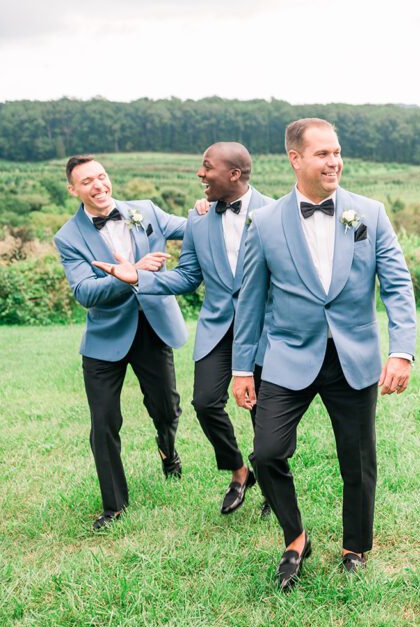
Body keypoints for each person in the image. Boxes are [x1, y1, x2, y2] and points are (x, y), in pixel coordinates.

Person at [232, 118, 417, 591]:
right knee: (266, 451)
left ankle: (355, 546)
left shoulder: (369, 213)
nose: (334, 161)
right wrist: (240, 367)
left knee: (358, 459)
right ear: (295, 159)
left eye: (336, 152)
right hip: (288, 355)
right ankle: (295, 538)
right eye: (322, 154)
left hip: (353, 355)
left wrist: (402, 351)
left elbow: (397, 285)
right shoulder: (266, 221)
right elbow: (250, 300)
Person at [93, 143, 274, 517]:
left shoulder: (275, 213)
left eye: (207, 167)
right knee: (205, 402)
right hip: (217, 328)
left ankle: (273, 487)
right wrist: (138, 276)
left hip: (265, 329)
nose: (199, 173)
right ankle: (239, 471)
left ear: (234, 174)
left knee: (264, 413)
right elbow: (189, 275)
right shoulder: (199, 218)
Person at [54, 155, 189, 530]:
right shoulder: (68, 236)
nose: (98, 186)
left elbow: (192, 227)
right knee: (104, 422)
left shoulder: (145, 211)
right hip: (104, 339)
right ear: (73, 189)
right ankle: (114, 506)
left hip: (152, 327)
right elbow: (85, 291)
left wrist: (205, 206)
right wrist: (128, 276)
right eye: (87, 181)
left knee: (166, 409)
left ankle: (168, 449)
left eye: (101, 177)